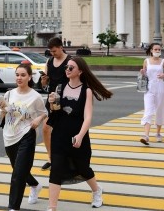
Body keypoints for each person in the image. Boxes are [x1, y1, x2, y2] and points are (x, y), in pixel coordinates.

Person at [46, 56, 113, 210]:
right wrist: (51, 104)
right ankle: (52, 207)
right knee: (56, 169)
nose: (67, 70)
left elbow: (88, 117)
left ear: (80, 71)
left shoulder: (86, 90)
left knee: (83, 168)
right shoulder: (60, 87)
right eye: (66, 67)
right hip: (59, 135)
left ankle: (97, 191)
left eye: (71, 68)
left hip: (77, 135)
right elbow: (55, 112)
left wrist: (80, 136)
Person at [0, 63, 48, 211]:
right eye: (17, 75)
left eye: (23, 75)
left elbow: (44, 112)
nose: (19, 78)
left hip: (27, 135)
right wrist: (1, 108)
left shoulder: (35, 96)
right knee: (20, 169)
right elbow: (2, 115)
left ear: (29, 77)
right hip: (9, 136)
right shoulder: (9, 94)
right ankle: (35, 185)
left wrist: (38, 120)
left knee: (18, 174)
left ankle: (13, 207)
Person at [39, 37, 71, 171]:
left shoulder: (70, 61)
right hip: (52, 99)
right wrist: (44, 80)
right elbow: (44, 84)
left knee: (64, 131)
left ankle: (66, 158)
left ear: (61, 47)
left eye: (54, 51)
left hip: (66, 100)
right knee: (46, 128)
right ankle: (51, 158)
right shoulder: (49, 61)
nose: (53, 54)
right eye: (51, 51)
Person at [139, 43, 164, 145]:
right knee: (148, 110)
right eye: (155, 49)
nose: (157, 51)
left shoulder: (163, 61)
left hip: (160, 87)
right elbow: (144, 74)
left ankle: (158, 133)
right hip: (149, 88)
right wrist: (142, 72)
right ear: (151, 50)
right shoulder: (146, 61)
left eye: (159, 49)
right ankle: (146, 136)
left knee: (160, 110)